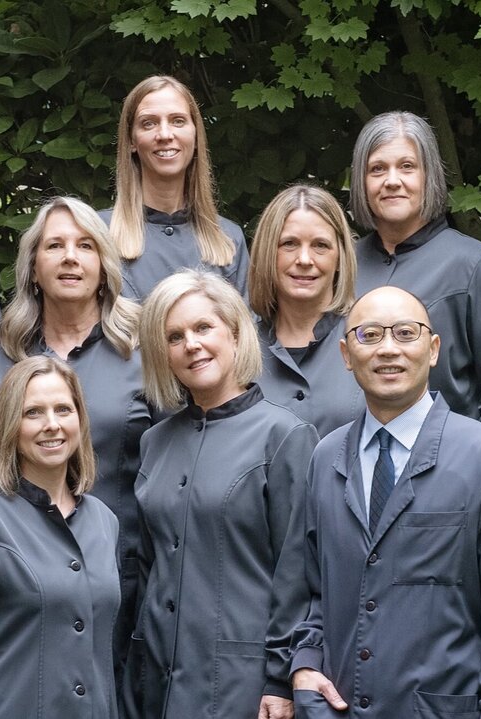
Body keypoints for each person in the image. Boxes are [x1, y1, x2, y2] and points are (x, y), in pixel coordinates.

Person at [269, 286, 481, 718]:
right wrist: (303, 665)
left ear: (432, 350)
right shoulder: (326, 458)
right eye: (369, 335)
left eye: (405, 333)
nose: (388, 349)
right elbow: (308, 591)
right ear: (345, 354)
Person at [0, 196, 152, 669]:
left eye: (85, 245)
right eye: (55, 246)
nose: (70, 256)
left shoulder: (146, 357)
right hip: (19, 592)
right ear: (31, 268)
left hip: (124, 581)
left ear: (105, 266)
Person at [123, 270, 318, 719]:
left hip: (241, 682)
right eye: (174, 336)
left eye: (203, 327)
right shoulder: (155, 442)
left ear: (233, 332)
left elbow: (298, 573)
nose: (191, 344)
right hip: (155, 676)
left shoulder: (285, 436)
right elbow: (149, 567)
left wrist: (280, 677)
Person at [0, 356, 120, 719]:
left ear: (79, 419)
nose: (52, 425)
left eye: (63, 409)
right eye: (33, 412)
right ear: (9, 425)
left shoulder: (103, 521)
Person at [350, 111, 481, 438]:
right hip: (350, 470)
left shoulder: (475, 267)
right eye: (377, 168)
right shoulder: (344, 265)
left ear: (429, 175)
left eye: (407, 166)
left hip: (448, 471)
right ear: (361, 181)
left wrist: (475, 467)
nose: (392, 180)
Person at [100, 75, 249, 301]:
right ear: (131, 140)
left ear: (195, 134)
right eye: (148, 123)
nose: (165, 135)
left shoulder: (230, 239)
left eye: (177, 121)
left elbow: (247, 333)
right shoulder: (98, 233)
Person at [250, 185, 365, 437]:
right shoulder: (238, 348)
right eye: (289, 244)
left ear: (340, 258)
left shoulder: (370, 339)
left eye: (320, 245)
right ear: (268, 252)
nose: (304, 259)